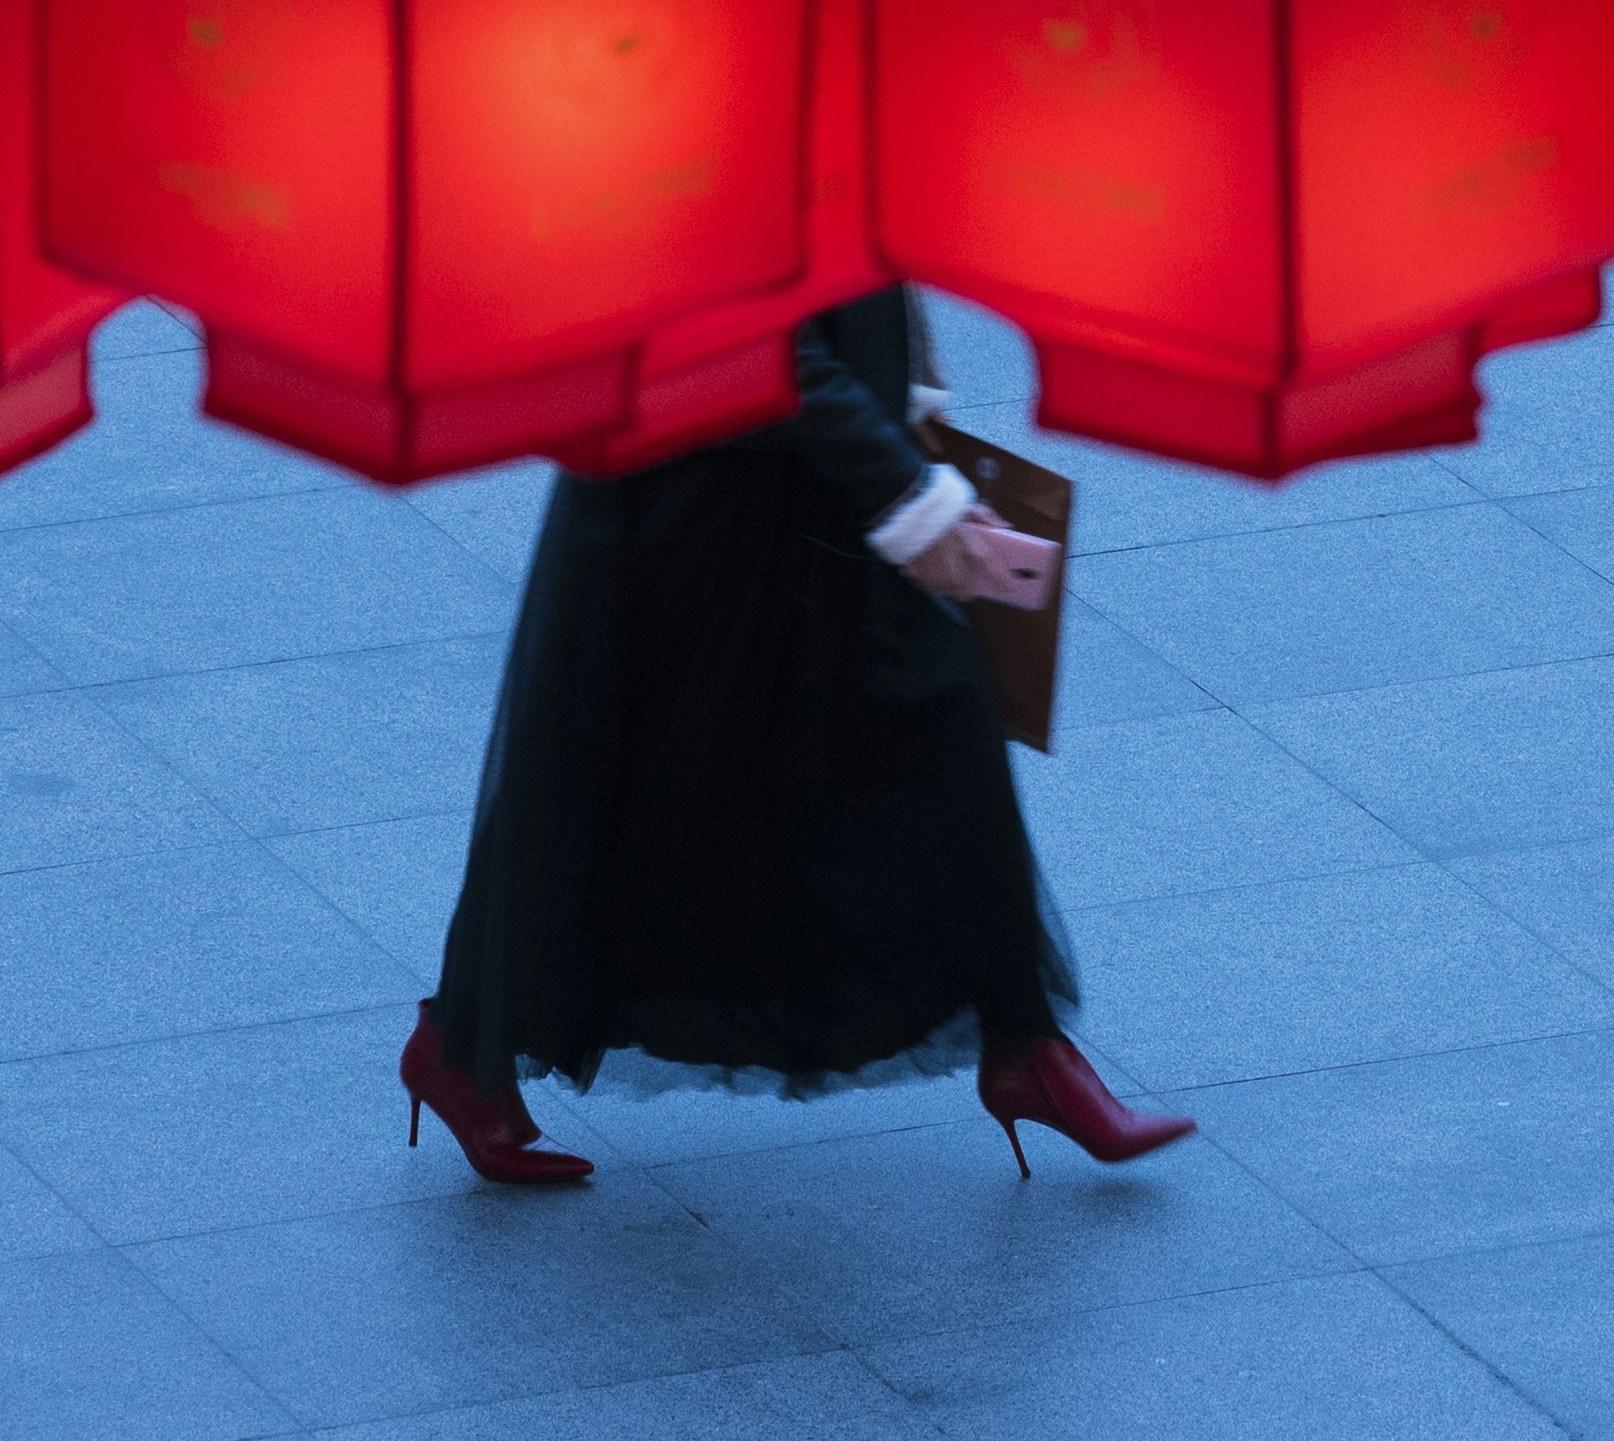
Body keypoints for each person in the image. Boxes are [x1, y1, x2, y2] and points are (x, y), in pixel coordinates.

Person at [400, 279, 1197, 1186]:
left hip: (803, 479)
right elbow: (739, 330)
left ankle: (1027, 1047)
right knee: (610, 781)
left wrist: (908, 400)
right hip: (688, 511)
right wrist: (905, 484)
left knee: (941, 711)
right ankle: (462, 1049)